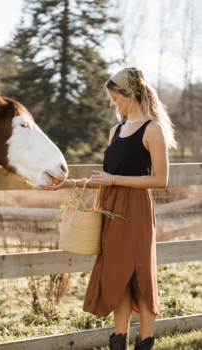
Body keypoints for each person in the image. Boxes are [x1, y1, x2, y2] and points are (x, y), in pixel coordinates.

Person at [37, 67, 177, 350]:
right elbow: (105, 179)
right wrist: (67, 184)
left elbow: (160, 180)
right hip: (110, 209)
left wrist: (114, 179)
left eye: (115, 97)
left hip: (136, 210)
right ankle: (118, 343)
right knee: (116, 277)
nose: (112, 103)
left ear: (131, 94)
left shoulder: (153, 129)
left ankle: (146, 343)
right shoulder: (116, 131)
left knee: (140, 277)